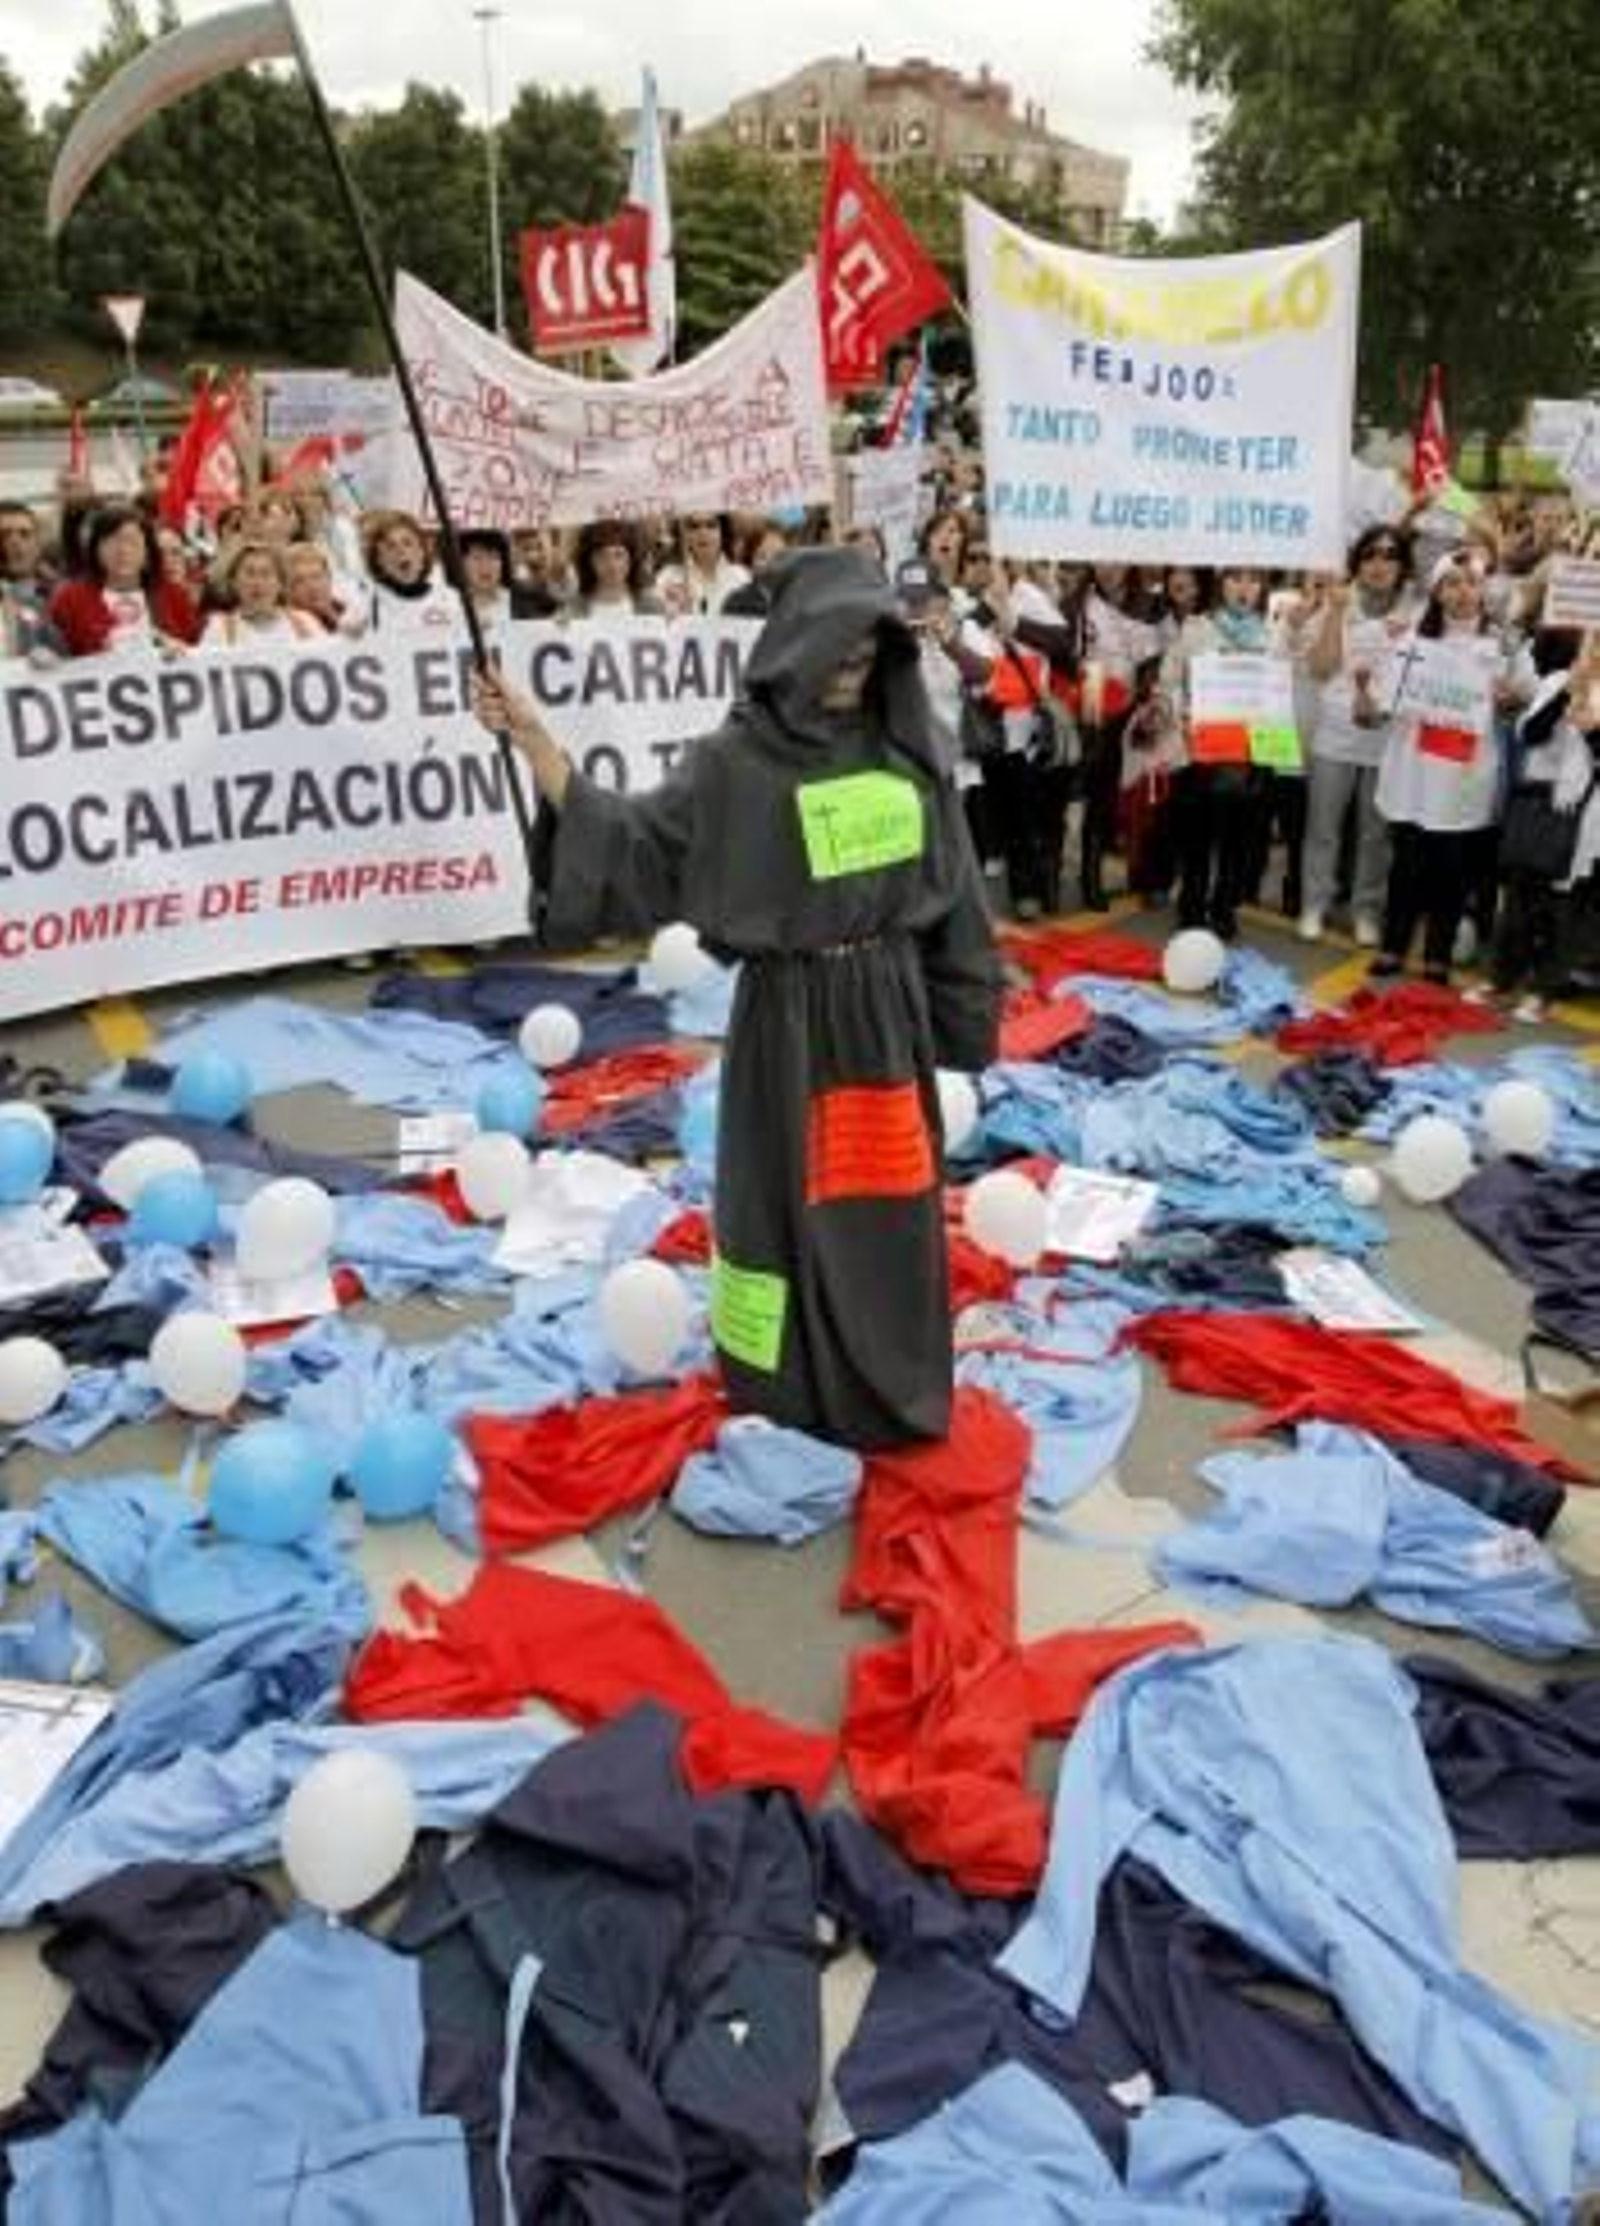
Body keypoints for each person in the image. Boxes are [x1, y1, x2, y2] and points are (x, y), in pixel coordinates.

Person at [472, 546, 1002, 1449]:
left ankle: (888, 1378)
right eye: (837, 655)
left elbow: (956, 901)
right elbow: (635, 844)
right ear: (795, 648)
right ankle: (784, 1380)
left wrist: (964, 1014)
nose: (852, 673)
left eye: (868, 656)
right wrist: (535, 742)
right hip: (786, 1022)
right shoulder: (735, 764)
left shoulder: (908, 748)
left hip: (883, 1019)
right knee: (780, 1201)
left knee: (880, 1204)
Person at [1371, 549, 1536, 983]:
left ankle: (1437, 956)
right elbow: (1383, 694)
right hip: (1414, 768)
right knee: (1406, 863)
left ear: (1483, 590)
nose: (1463, 592)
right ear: (1438, 591)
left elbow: (1529, 691)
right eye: (1453, 583)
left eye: (1472, 583)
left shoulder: (1504, 642)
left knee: (1451, 869)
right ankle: (1392, 947)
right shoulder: (1412, 637)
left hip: (1464, 773)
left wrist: (1511, 696)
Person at [1299, 526, 1419, 945]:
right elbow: (1319, 669)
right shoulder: (1337, 602)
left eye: (1390, 555)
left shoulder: (1418, 612)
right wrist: (1334, 612)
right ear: (1357, 563)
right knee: (1323, 828)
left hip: (1388, 740)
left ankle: (1366, 910)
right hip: (1334, 737)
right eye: (1370, 555)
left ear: (1402, 565)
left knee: (1375, 834)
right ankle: (1314, 905)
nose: (1379, 564)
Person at [1478, 639, 1600, 1022]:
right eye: (1594, 643)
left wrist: (1593, 731)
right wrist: (1567, 693)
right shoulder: (1557, 681)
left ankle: (1542, 990)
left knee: (1561, 907)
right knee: (1518, 896)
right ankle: (1501, 980)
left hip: (1586, 813)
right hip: (1538, 805)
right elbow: (1530, 734)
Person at [1160, 565, 1275, 940]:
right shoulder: (1197, 628)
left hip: (1251, 751)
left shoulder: (1272, 634)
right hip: (1203, 749)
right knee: (1198, 836)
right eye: (1236, 578)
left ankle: (1224, 907)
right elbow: (1169, 680)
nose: (1244, 587)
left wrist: (1273, 744)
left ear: (1262, 587)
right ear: (1221, 584)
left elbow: (1279, 693)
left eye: (1253, 579)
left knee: (1239, 839)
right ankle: (1192, 906)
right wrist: (1180, 711)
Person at [48, 505, 201, 657]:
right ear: (95, 549)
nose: (123, 551)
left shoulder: (173, 595)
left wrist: (180, 648)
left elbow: (198, 649)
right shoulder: (69, 600)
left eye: (133, 542)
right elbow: (54, 653)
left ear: (148, 550)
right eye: (112, 541)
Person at [201, 542, 324, 649]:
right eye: (250, 573)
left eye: (266, 574)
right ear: (234, 582)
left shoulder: (306, 622)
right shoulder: (218, 628)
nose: (257, 582)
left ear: (280, 584)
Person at [361, 509, 458, 634]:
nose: (401, 551)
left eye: (407, 543)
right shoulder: (368, 605)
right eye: (391, 546)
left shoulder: (450, 599)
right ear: (379, 560)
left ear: (422, 552)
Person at [656, 512, 749, 615]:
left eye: (711, 525)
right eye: (694, 527)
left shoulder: (740, 577)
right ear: (684, 535)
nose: (703, 533)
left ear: (722, 532)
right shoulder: (668, 577)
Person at [569, 519, 663, 620]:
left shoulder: (651, 607)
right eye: (602, 556)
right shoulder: (573, 610)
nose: (612, 565)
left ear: (631, 559)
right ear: (589, 561)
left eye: (619, 555)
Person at [284, 540, 367, 637]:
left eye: (316, 577)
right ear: (288, 590)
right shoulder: (293, 626)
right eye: (300, 581)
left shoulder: (351, 606)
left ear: (329, 577)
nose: (312, 587)